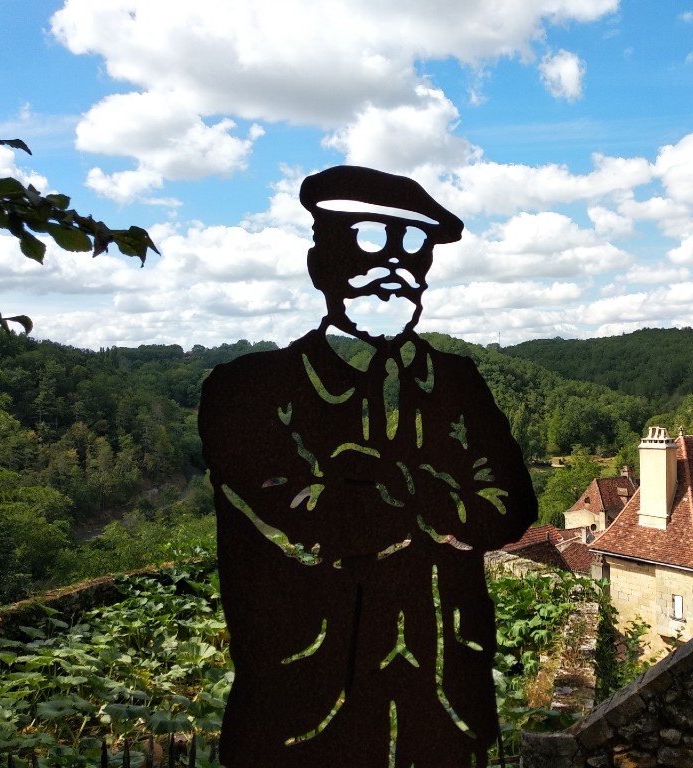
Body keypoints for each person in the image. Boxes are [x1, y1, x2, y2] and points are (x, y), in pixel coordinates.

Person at [198, 166, 537, 767]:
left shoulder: (458, 382)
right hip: (307, 713)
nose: (397, 266)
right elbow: (318, 521)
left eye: (414, 248)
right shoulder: (246, 391)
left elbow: (510, 506)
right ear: (320, 263)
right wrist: (443, 504)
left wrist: (393, 484)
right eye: (370, 241)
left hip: (445, 705)